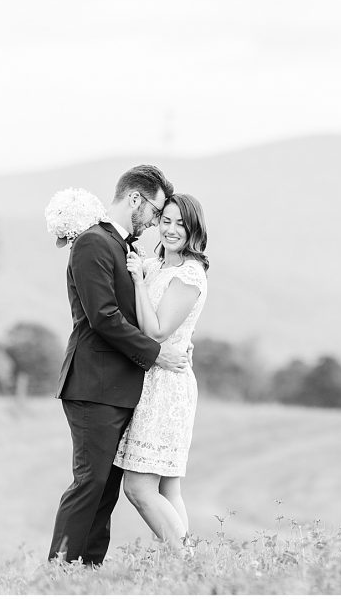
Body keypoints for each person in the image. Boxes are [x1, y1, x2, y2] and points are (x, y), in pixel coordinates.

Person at [48, 165, 192, 566]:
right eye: (155, 210)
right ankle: (59, 571)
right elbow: (104, 317)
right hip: (92, 386)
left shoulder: (122, 246)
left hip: (119, 387)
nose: (155, 221)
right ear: (135, 200)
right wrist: (155, 353)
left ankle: (88, 569)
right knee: (89, 483)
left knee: (106, 488)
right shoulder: (94, 242)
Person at [114, 193, 209, 546]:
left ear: (194, 229)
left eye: (180, 224)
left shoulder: (189, 274)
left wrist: (138, 282)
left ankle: (187, 560)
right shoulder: (155, 266)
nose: (171, 230)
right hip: (148, 377)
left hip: (167, 386)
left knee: (139, 486)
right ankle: (183, 572)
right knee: (168, 486)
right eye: (166, 220)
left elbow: (156, 331)